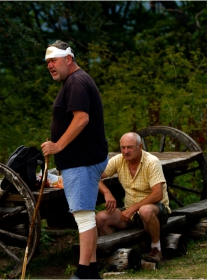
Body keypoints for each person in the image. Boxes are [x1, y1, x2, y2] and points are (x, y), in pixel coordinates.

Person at [41, 40, 108, 279]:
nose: (50, 65)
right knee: (84, 214)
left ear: (68, 59)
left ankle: (82, 273)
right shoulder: (74, 81)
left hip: (81, 161)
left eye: (54, 60)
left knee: (83, 215)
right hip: (80, 161)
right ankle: (92, 271)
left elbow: (81, 119)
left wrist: (58, 145)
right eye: (47, 62)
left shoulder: (77, 82)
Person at [96, 132, 171, 263]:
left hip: (156, 211)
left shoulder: (152, 162)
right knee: (100, 218)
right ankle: (121, 252)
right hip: (131, 213)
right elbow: (94, 176)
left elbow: (157, 194)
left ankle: (156, 248)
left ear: (140, 146)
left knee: (145, 211)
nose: (126, 151)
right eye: (123, 147)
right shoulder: (118, 160)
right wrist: (107, 192)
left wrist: (133, 209)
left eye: (129, 147)